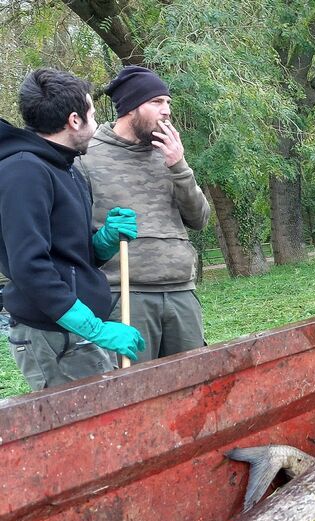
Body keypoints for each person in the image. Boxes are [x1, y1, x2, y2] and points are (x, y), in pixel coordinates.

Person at [0, 68, 144, 391]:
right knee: (95, 432)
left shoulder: (66, 169)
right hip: (52, 336)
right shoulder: (23, 171)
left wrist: (104, 240)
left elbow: (70, 255)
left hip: (73, 333)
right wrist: (95, 328)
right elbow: (30, 267)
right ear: (74, 120)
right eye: (93, 115)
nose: (97, 125)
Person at [77, 66, 211, 361]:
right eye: (157, 102)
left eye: (168, 103)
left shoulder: (169, 154)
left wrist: (179, 166)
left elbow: (200, 218)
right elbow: (74, 234)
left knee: (191, 388)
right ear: (130, 109)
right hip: (124, 295)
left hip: (181, 292)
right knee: (134, 393)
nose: (167, 111)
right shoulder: (87, 157)